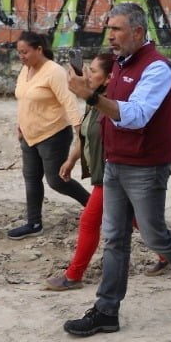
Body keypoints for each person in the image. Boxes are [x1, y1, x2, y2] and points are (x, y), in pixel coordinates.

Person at [62, 4, 171, 337]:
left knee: (153, 234)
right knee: (115, 238)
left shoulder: (158, 68)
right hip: (116, 162)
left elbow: (137, 115)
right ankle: (106, 310)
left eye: (117, 30)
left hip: (146, 166)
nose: (111, 37)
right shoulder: (120, 63)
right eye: (109, 29)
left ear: (137, 31)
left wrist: (90, 97)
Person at [45, 53, 114, 291]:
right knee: (142, 221)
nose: (87, 75)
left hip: (111, 175)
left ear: (108, 79)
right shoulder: (93, 102)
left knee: (88, 221)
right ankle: (168, 255)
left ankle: (73, 276)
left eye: (93, 71)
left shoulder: (111, 105)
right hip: (103, 174)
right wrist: (71, 160)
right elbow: (84, 134)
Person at [10, 31, 90, 239]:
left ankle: (94, 207)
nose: (22, 56)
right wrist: (21, 124)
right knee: (31, 178)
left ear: (39, 49)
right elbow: (25, 98)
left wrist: (79, 129)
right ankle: (34, 222)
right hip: (29, 135)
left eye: (25, 52)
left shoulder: (53, 71)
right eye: (19, 52)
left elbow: (68, 101)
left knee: (56, 179)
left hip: (53, 134)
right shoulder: (25, 70)